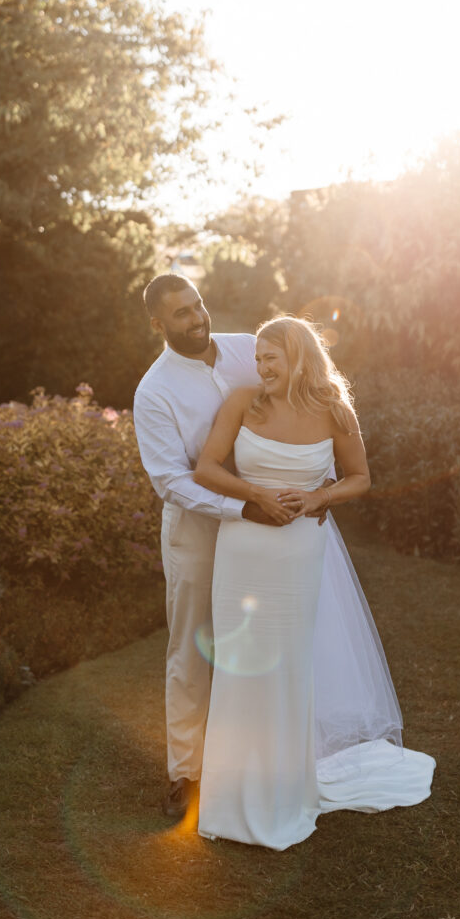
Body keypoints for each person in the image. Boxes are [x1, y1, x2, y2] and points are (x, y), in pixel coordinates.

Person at [194, 316, 435, 850]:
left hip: (299, 549)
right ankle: (228, 800)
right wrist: (254, 497)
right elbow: (207, 469)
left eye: (270, 358)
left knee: (286, 669)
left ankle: (285, 792)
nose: (262, 368)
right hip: (244, 547)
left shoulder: (335, 410)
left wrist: (317, 498)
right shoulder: (242, 402)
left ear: (298, 355)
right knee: (240, 667)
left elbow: (360, 478)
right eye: (257, 359)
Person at [133, 274, 301, 818]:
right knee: (192, 649)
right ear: (158, 325)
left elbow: (292, 398)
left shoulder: (242, 352)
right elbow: (170, 481)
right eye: (180, 313)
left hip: (264, 526)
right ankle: (188, 773)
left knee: (258, 640)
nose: (196, 318)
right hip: (199, 535)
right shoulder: (154, 391)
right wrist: (240, 506)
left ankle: (255, 759)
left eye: (198, 304)